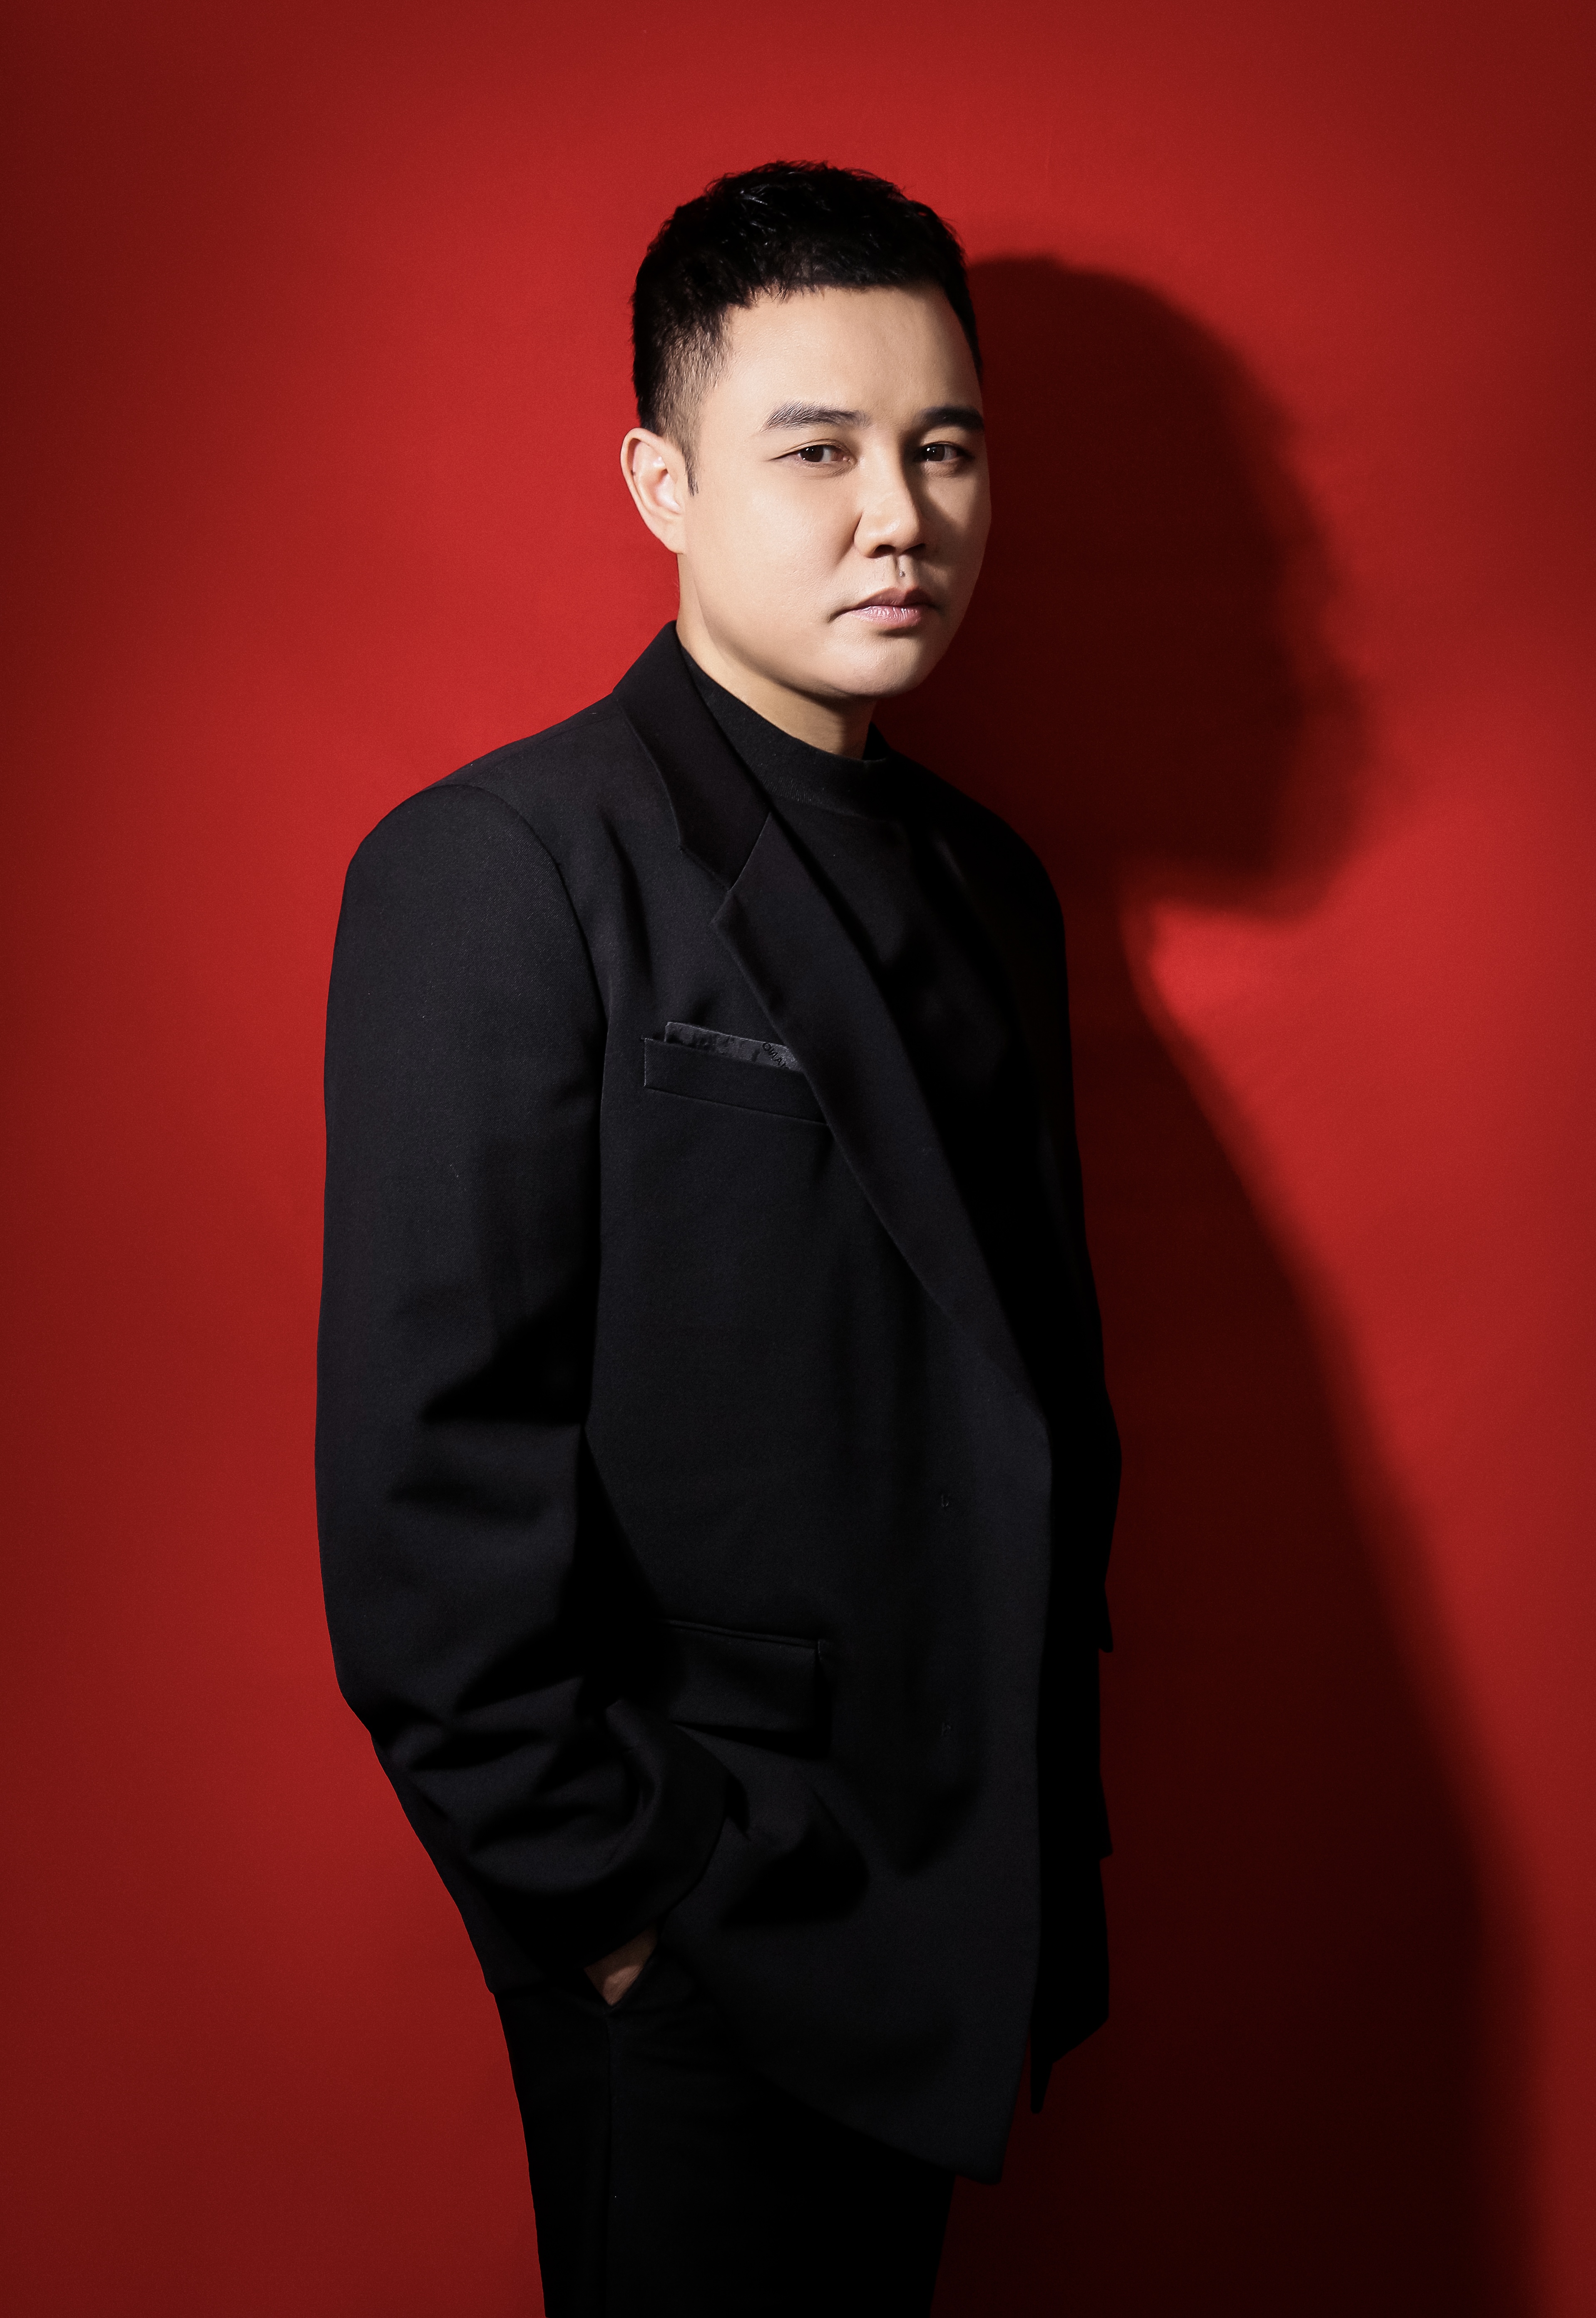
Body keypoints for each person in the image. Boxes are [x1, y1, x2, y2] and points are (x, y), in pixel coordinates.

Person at [316, 162, 1119, 2316]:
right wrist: (622, 1903)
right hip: (700, 1917)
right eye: (820, 452)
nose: (900, 517)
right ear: (662, 485)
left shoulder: (996, 885)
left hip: (952, 1884)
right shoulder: (497, 867)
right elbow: (425, 1479)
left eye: (944, 449)